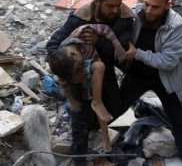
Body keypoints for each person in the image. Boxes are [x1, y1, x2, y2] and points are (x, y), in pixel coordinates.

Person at [46, 0, 134, 165]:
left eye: (118, 5)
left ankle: (99, 137)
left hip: (104, 69)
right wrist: (69, 65)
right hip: (76, 72)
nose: (115, 10)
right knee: (79, 119)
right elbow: (53, 44)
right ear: (97, 3)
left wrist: (98, 42)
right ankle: (80, 157)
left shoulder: (124, 19)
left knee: (113, 107)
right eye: (110, 6)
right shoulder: (79, 19)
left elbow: (123, 52)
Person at [120, 0, 182, 166]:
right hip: (138, 73)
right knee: (116, 106)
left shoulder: (177, 26)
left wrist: (137, 53)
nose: (148, 10)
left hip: (165, 78)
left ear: (167, 6)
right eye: (146, 3)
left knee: (178, 119)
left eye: (155, 7)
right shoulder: (136, 12)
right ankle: (92, 130)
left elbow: (168, 61)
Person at [48, 23, 126, 152]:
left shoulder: (81, 33)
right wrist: (71, 100)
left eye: (78, 69)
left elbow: (106, 29)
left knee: (99, 94)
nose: (79, 74)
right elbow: (65, 84)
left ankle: (105, 137)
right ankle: (96, 108)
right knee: (85, 111)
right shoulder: (63, 67)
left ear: (74, 54)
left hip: (92, 66)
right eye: (75, 75)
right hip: (85, 75)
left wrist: (117, 46)